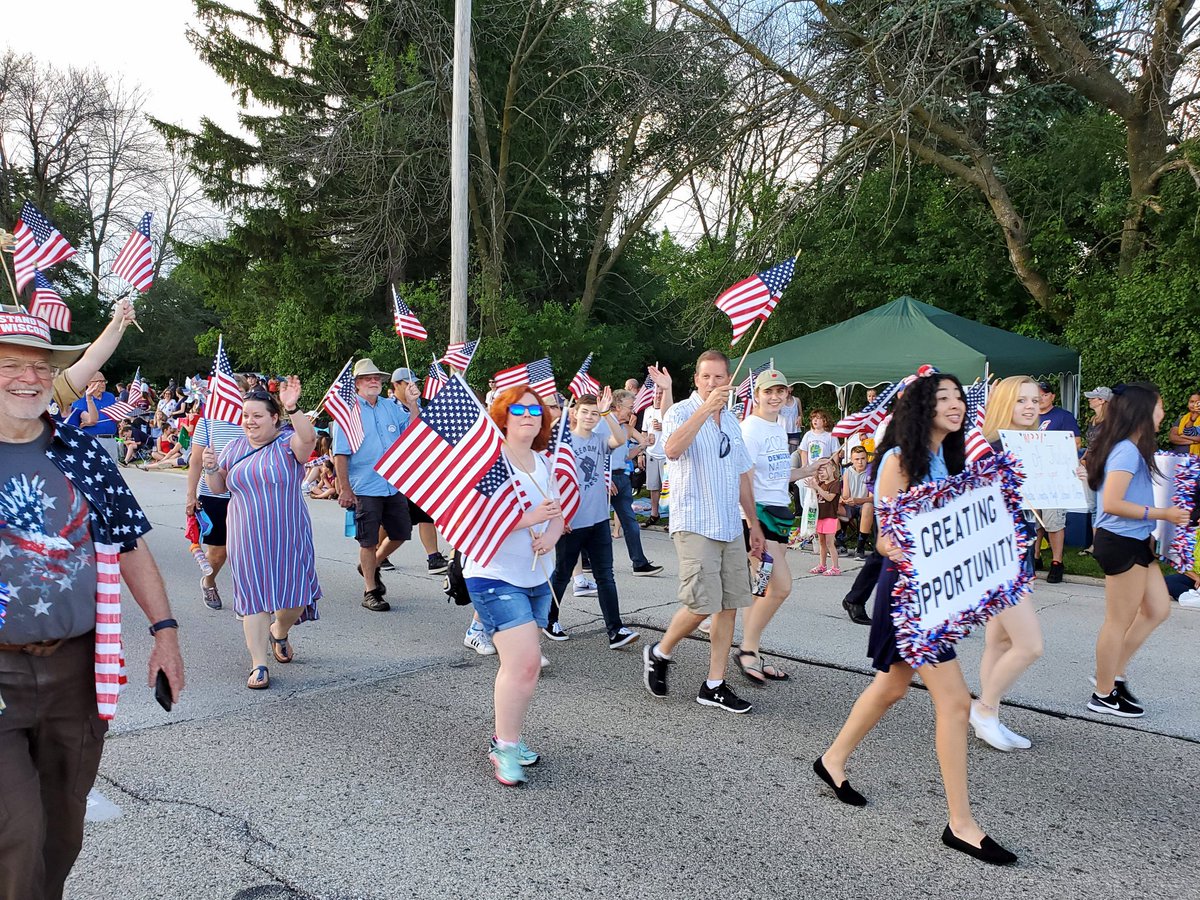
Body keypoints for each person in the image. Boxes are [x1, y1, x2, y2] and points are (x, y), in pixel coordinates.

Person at [0, 310, 185, 899]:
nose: (27, 378)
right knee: (17, 831)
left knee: (61, 829)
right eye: (10, 365)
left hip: (76, 671)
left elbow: (129, 545)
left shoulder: (81, 453)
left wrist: (166, 633)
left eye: (38, 365)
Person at [815, 370, 1018, 866]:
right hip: (907, 596)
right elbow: (884, 539)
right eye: (942, 397)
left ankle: (831, 760)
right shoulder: (898, 459)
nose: (956, 404)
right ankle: (962, 825)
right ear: (919, 407)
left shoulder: (948, 461)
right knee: (953, 703)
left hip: (935, 596)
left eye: (958, 397)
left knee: (890, 687)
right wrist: (923, 551)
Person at [642, 350, 764, 714]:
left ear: (729, 380)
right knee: (702, 603)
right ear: (696, 379)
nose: (713, 384)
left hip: (728, 524)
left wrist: (753, 524)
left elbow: (742, 474)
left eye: (720, 378)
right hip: (694, 521)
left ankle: (714, 684)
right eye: (706, 377)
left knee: (728, 606)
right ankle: (660, 652)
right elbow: (672, 449)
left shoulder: (731, 421)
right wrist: (703, 409)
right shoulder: (680, 411)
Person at [463, 386, 564, 785]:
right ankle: (504, 747)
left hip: (537, 575)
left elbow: (556, 512)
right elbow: (473, 519)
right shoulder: (492, 463)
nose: (528, 415)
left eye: (535, 410)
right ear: (503, 417)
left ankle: (510, 737)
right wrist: (528, 518)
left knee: (524, 668)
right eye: (518, 409)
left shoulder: (543, 461)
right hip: (492, 573)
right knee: (523, 663)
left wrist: (552, 534)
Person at [201, 380, 321, 690]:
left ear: (274, 418)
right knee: (254, 599)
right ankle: (259, 664)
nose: (250, 422)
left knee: (296, 594)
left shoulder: (288, 443)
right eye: (245, 415)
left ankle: (279, 630)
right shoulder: (234, 447)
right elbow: (219, 489)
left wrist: (292, 406)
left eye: (257, 416)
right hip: (244, 534)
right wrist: (211, 469)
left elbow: (309, 439)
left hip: (288, 533)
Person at [1085, 382, 1188, 718]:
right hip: (1120, 541)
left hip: (1137, 539)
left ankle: (1113, 672)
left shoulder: (1132, 447)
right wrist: (1164, 515)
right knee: (1118, 620)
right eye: (1159, 407)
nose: (1163, 414)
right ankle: (1102, 693)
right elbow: (1113, 503)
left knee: (1158, 609)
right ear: (1142, 412)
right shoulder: (1126, 451)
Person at [735, 368, 827, 684]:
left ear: (787, 395)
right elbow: (743, 478)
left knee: (761, 589)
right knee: (782, 586)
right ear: (756, 395)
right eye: (768, 391)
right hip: (758, 518)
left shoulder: (779, 427)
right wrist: (751, 524)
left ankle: (753, 651)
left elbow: (775, 476)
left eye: (780, 391)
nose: (774, 397)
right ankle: (747, 649)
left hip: (779, 514)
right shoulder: (750, 430)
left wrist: (808, 471)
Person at [971, 375, 1046, 751]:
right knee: (1030, 645)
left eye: (1034, 400)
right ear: (1004, 404)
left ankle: (991, 717)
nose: (1030, 406)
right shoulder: (992, 448)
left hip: (1019, 552)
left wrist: (1070, 476)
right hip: (1000, 559)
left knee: (999, 641)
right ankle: (983, 710)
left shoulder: (1032, 446)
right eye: (1021, 401)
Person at [544, 389, 640, 648]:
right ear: (574, 413)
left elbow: (620, 439)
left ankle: (615, 629)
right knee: (562, 574)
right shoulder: (563, 442)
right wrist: (559, 516)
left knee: (605, 575)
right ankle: (549, 618)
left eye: (594, 413)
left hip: (598, 520)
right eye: (585, 412)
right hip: (572, 521)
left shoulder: (599, 437)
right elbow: (551, 481)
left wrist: (607, 413)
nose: (589, 417)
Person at [333, 358, 418, 611]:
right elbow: (340, 453)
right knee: (367, 541)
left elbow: (412, 433)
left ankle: (373, 563)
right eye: (367, 378)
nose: (373, 382)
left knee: (401, 532)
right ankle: (370, 590)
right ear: (357, 383)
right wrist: (345, 488)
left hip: (393, 483)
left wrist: (413, 404)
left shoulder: (390, 407)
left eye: (377, 378)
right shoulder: (348, 412)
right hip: (365, 485)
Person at [186, 375, 250, 611]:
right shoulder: (207, 422)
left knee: (247, 549)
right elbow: (194, 461)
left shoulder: (252, 422)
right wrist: (190, 496)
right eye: (232, 392)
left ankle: (251, 595)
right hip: (214, 495)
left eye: (241, 392)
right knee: (218, 552)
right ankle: (209, 581)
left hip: (246, 494)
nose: (237, 397)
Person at [386, 368, 448, 575]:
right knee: (392, 519)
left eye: (415, 382)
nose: (414, 386)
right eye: (408, 383)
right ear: (396, 385)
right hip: (398, 470)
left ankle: (433, 557)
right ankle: (375, 553)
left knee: (426, 513)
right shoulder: (389, 408)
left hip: (419, 468)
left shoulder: (417, 406)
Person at [607, 388, 663, 575]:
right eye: (630, 407)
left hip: (622, 477)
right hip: (605, 479)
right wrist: (603, 478)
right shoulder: (604, 423)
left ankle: (639, 563)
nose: (633, 411)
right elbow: (596, 454)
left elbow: (625, 456)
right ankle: (584, 560)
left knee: (630, 523)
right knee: (592, 522)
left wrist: (642, 446)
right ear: (617, 405)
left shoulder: (626, 428)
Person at [1036, 380, 1081, 584]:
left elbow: (1076, 443)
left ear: (1052, 396)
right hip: (1032, 475)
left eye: (1045, 394)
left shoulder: (1063, 416)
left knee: (1053, 521)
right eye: (1038, 394)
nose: (1041, 398)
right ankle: (1035, 557)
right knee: (1034, 520)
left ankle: (1057, 561)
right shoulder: (1028, 415)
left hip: (1054, 477)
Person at [1079, 386, 1111, 555]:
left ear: (1102, 400)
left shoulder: (1110, 422)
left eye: (1093, 397)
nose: (1090, 399)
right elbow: (1091, 445)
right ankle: (1095, 544)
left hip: (1102, 467)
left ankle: (1100, 544)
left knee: (1101, 506)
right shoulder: (1093, 419)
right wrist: (1083, 457)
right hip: (1089, 465)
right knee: (1093, 507)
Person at [642, 368, 674, 525]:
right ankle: (654, 514)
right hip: (652, 454)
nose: (658, 395)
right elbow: (643, 433)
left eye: (661, 393)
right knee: (653, 487)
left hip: (666, 455)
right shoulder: (648, 411)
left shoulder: (670, 411)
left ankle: (671, 517)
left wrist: (663, 427)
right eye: (657, 393)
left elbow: (676, 431)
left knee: (669, 488)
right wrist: (645, 443)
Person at [65, 371, 120, 461]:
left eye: (104, 381)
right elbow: (77, 419)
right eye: (99, 381)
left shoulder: (110, 397)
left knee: (112, 470)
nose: (103, 384)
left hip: (111, 439)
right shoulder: (81, 398)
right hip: (92, 439)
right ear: (89, 383)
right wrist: (86, 422)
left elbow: (115, 414)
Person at [840, 446, 874, 559]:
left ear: (867, 458)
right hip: (851, 504)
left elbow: (872, 498)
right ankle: (840, 542)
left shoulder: (872, 472)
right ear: (852, 460)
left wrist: (858, 500)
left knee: (868, 506)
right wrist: (844, 499)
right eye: (857, 459)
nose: (860, 462)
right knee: (833, 505)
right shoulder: (847, 472)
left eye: (863, 458)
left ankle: (860, 546)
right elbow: (846, 494)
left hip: (864, 504)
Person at [810, 460, 842, 575]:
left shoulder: (835, 484)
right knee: (822, 543)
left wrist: (818, 489)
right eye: (819, 471)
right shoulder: (821, 484)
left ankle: (835, 567)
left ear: (833, 469)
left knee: (829, 543)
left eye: (824, 469)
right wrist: (812, 485)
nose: (821, 473)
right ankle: (822, 565)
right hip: (820, 517)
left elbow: (829, 497)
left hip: (830, 517)